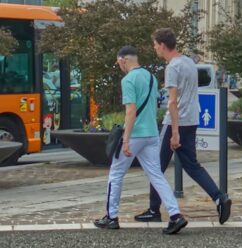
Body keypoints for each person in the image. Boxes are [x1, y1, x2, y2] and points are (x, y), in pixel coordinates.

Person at [134, 29, 229, 225]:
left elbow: (172, 102)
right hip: (192, 120)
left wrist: (174, 132)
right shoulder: (188, 62)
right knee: (192, 165)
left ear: (162, 44)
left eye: (154, 45)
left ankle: (154, 209)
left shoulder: (172, 68)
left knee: (155, 166)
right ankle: (219, 197)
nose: (154, 49)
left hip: (175, 122)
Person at [94, 46, 188, 234]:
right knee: (156, 175)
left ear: (123, 60)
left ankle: (111, 217)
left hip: (135, 134)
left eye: (118, 62)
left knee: (116, 174)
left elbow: (131, 110)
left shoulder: (128, 79)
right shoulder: (151, 77)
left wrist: (126, 139)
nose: (119, 66)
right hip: (152, 133)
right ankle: (175, 215)